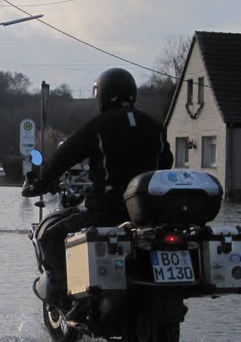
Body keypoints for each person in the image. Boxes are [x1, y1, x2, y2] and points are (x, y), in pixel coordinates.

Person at [22, 68, 174, 295]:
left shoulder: (100, 126)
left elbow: (65, 156)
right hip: (146, 216)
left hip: (106, 210)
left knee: (48, 235)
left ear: (102, 94)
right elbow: (166, 163)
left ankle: (67, 296)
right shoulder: (154, 126)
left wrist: (41, 183)